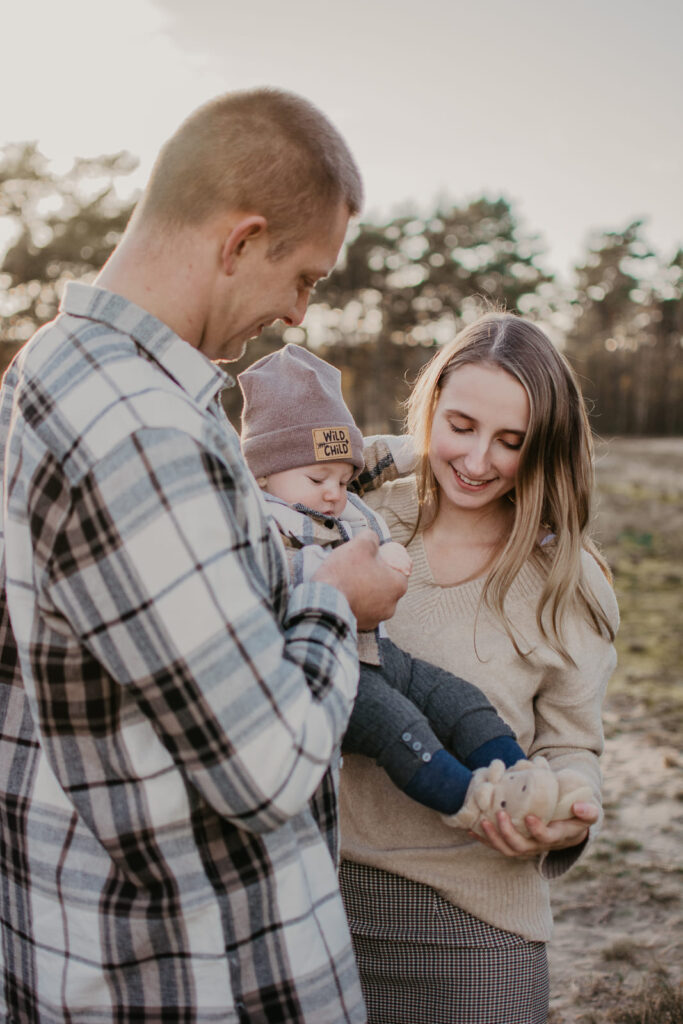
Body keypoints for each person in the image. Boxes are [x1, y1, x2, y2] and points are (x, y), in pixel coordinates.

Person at [0, 88, 409, 1024]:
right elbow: (265, 770)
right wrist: (332, 599)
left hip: (94, 930)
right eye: (302, 278)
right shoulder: (140, 430)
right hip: (188, 971)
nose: (298, 315)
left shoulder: (50, 368)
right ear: (240, 241)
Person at [338, 312, 620, 1024]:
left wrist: (569, 813)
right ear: (430, 409)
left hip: (477, 924)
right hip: (315, 900)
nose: (477, 459)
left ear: (544, 447)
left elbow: (572, 746)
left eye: (511, 441)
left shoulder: (567, 580)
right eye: (460, 426)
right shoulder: (352, 521)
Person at [237, 344, 573, 860]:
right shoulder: (253, 521)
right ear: (261, 473)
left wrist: (434, 447)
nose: (335, 493)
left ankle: (517, 773)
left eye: (344, 479)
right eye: (319, 480)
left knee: (455, 697)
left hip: (380, 653)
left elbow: (367, 457)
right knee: (398, 724)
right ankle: (469, 800)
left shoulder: (335, 493)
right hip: (321, 667)